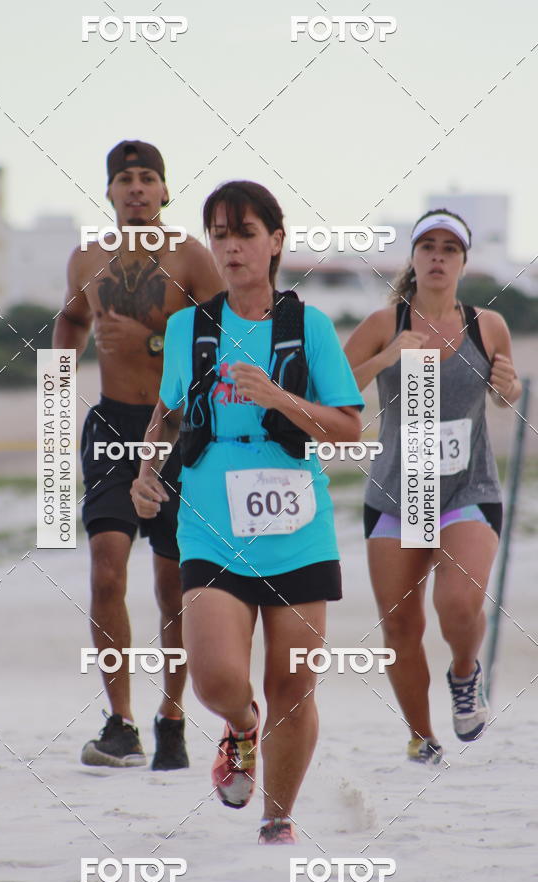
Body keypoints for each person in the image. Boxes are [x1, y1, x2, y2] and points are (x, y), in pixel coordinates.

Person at [130, 180, 364, 843]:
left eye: (245, 233)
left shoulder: (308, 326)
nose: (231, 247)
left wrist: (279, 398)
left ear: (276, 241)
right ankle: (239, 726)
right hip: (209, 517)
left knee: (293, 685)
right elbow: (168, 415)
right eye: (220, 234)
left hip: (297, 525)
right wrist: (147, 474)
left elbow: (348, 427)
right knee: (215, 678)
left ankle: (277, 822)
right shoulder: (188, 327)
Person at [52, 139, 224, 769]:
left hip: (177, 430)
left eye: (147, 178)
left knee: (172, 585)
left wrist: (151, 340)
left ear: (164, 191)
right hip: (110, 427)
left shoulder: (192, 258)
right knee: (105, 570)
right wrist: (58, 375)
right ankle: (120, 723)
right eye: (124, 179)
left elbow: (218, 341)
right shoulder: (86, 259)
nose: (135, 188)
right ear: (109, 193)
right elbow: (71, 320)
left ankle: (171, 717)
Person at [344, 209, 522, 763]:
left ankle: (465, 674)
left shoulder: (486, 325)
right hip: (398, 493)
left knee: (458, 603)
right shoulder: (384, 322)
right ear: (415, 259)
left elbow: (503, 393)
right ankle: (422, 737)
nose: (438, 256)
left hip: (468, 488)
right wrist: (385, 356)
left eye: (450, 248)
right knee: (401, 625)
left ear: (464, 262)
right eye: (429, 247)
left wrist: (509, 386)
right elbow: (332, 391)